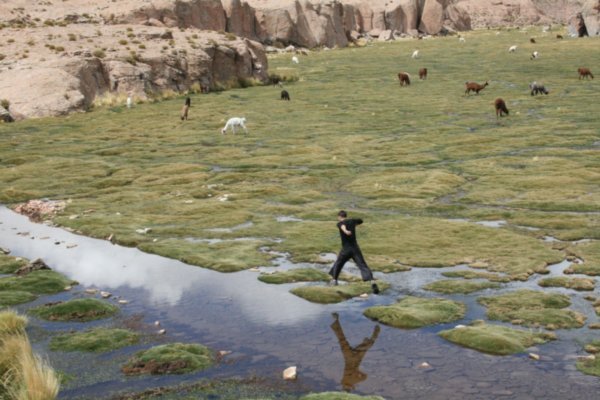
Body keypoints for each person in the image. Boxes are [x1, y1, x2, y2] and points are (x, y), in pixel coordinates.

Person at [329, 210, 379, 294]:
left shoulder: (340, 223)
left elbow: (343, 226)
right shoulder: (352, 221)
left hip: (346, 249)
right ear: (346, 215)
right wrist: (354, 224)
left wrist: (346, 231)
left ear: (339, 217)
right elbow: (360, 220)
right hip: (355, 249)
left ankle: (334, 281)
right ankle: (372, 282)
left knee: (338, 263)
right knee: (363, 265)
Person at [330, 313, 380, 391]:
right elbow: (364, 377)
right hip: (352, 359)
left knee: (344, 341)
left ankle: (373, 337)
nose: (344, 386)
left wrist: (357, 371)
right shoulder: (347, 382)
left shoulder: (350, 381)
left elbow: (364, 377)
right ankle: (336, 321)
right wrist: (356, 372)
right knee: (342, 341)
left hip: (353, 360)